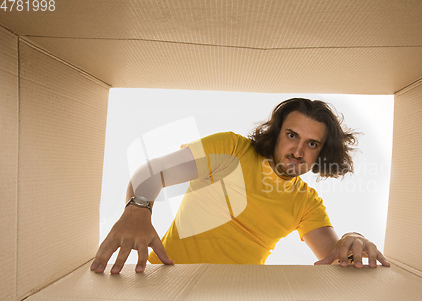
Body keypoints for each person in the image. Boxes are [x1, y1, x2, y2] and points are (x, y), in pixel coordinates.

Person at [91, 98, 390, 274]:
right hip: (166, 280)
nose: (298, 150)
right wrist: (138, 209)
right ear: (276, 133)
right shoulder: (232, 149)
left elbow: (334, 256)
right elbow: (153, 172)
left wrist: (354, 238)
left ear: (322, 152)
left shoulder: (306, 203)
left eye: (312, 143)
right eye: (291, 135)